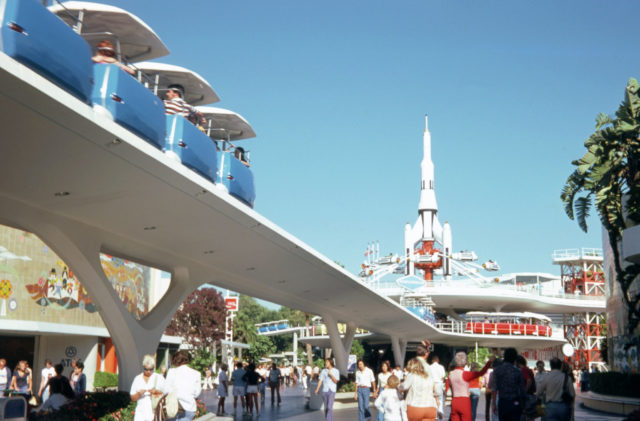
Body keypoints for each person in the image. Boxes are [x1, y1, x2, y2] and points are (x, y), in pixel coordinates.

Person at [448, 352, 493, 421]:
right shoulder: (466, 374)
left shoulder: (451, 374)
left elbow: (450, 387)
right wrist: (489, 362)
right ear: (465, 362)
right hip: (464, 401)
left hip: (454, 401)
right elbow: (481, 372)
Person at [163, 350, 202, 421]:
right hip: (189, 408)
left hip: (173, 407)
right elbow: (196, 394)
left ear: (175, 360)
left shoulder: (171, 372)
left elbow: (165, 390)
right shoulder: (196, 373)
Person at [490, 348, 525, 421]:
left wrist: (493, 404)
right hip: (515, 402)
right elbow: (522, 390)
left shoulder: (497, 370)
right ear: (515, 358)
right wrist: (523, 405)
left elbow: (494, 389)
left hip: (503, 402)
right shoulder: (517, 371)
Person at [130, 354, 165, 421]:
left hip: (154, 413)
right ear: (143, 367)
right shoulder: (137, 379)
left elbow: (167, 392)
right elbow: (132, 398)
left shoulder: (159, 378)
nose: (149, 371)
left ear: (153, 367)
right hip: (140, 414)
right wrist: (139, 394)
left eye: (151, 369)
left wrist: (156, 391)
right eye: (146, 369)